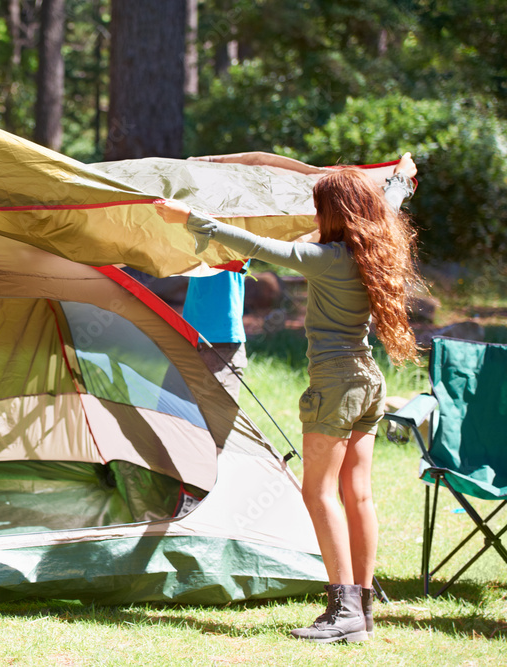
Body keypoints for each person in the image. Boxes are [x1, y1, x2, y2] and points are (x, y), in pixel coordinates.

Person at [155, 153, 420, 644]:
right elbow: (390, 203)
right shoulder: (376, 246)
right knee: (357, 494)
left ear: (333, 214)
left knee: (318, 491)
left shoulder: (326, 258)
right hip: (369, 381)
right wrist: (400, 179)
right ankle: (360, 608)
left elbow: (254, 243)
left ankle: (342, 610)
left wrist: (188, 218)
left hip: (336, 383)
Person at [182, 262, 249, 401]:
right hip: (190, 334)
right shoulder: (195, 244)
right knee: (176, 413)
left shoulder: (237, 246)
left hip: (223, 340)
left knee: (218, 415)